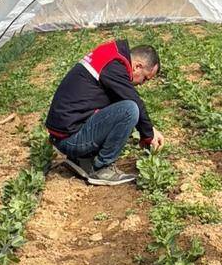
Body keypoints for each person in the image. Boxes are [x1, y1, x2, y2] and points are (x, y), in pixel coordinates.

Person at [45, 39, 164, 185]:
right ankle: (102, 168)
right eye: (145, 78)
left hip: (65, 134)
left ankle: (82, 159)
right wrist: (148, 135)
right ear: (137, 66)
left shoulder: (110, 57)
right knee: (129, 110)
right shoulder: (114, 67)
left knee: (122, 104)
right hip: (70, 139)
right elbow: (134, 101)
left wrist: (149, 129)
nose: (142, 84)